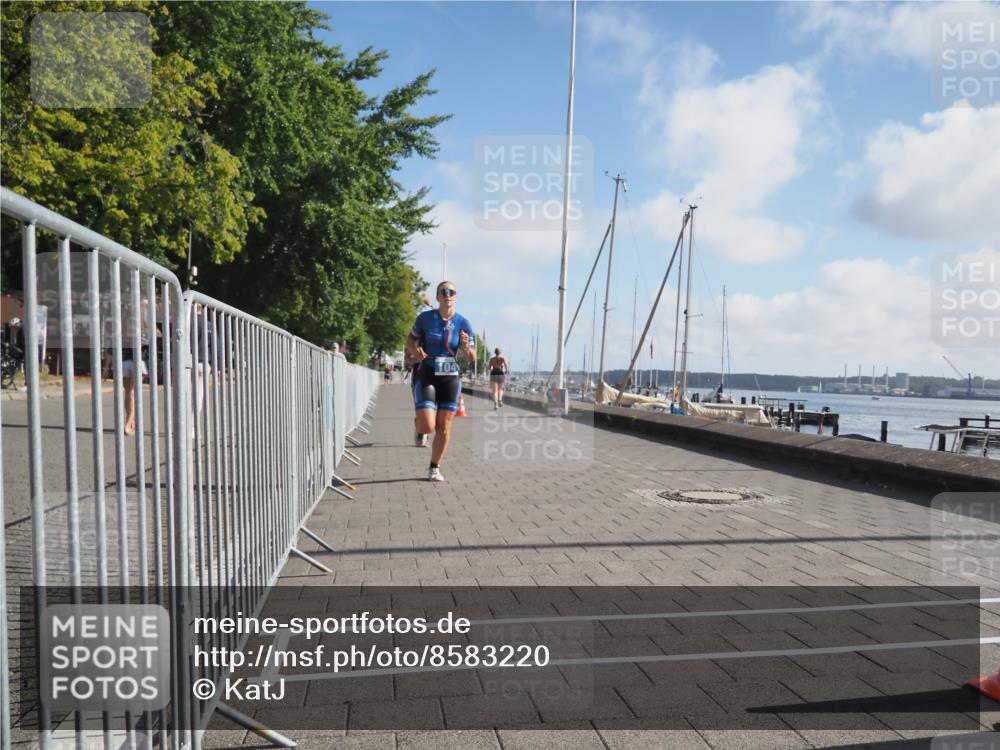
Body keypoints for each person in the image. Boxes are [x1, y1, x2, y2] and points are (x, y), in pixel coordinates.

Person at [405, 281, 475, 481]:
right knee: (427, 426)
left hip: (450, 375)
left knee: (443, 426)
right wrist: (414, 350)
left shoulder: (464, 323)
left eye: (451, 291)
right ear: (437, 297)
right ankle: (419, 425)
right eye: (443, 292)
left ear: (456, 296)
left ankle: (434, 467)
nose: (447, 294)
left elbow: (471, 358)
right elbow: (410, 340)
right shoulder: (425, 318)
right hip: (426, 371)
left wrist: (465, 346)